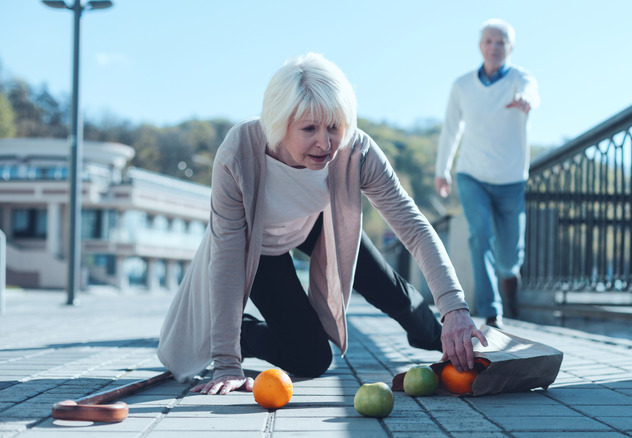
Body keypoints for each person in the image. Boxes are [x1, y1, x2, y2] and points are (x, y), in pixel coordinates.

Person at [157, 52, 487, 395]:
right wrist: (227, 360)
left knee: (395, 294)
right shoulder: (238, 152)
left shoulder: (356, 150)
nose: (325, 143)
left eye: (333, 127)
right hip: (257, 244)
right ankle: (241, 333)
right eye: (309, 129)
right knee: (311, 359)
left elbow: (414, 229)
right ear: (279, 122)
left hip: (316, 223)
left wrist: (454, 309)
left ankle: (453, 343)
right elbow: (226, 258)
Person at [435, 19, 540, 329]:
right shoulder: (462, 85)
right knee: (479, 236)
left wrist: (527, 101)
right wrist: (443, 170)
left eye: (501, 42)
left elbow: (532, 93)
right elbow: (451, 129)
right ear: (481, 46)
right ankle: (491, 312)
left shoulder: (522, 79)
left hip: (511, 179)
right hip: (472, 175)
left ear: (510, 48)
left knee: (509, 257)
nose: (495, 47)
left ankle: (510, 281)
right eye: (489, 41)